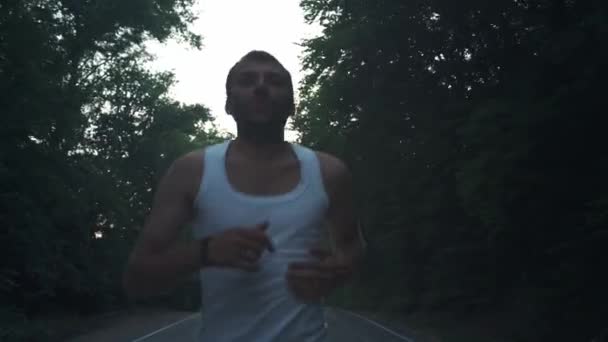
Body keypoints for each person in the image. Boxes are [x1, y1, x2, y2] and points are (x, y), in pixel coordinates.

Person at [122, 50, 366, 341]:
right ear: (228, 104)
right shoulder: (192, 171)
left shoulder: (330, 173)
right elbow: (136, 280)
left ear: (293, 105)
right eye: (248, 80)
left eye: (274, 81)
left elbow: (353, 248)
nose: (261, 86)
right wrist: (206, 252)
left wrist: (335, 273)